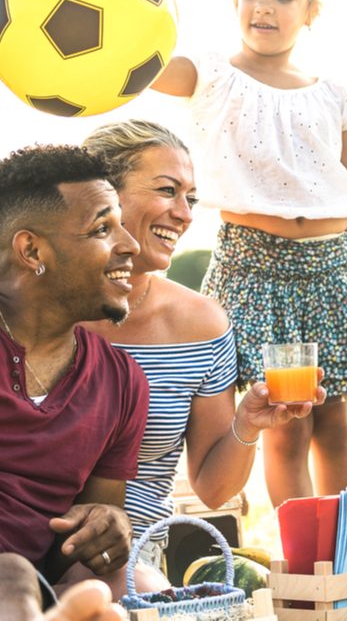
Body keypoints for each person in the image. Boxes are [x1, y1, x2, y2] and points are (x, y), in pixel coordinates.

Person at [149, 0, 347, 506]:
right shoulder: (210, 76)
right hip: (255, 270)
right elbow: (146, 69)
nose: (264, 6)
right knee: (287, 427)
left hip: (333, 271)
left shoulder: (333, 94)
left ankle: (346, 558)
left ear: (311, 10)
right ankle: (309, 570)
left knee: (334, 425)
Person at [79, 120, 326, 570]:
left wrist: (248, 424)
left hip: (134, 565)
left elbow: (213, 489)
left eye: (190, 199)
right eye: (167, 191)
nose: (186, 214)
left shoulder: (201, 325)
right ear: (102, 193)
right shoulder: (37, 310)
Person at [0, 145, 149, 612]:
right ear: (32, 250)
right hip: (13, 583)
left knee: (115, 582)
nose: (130, 245)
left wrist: (110, 525)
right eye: (103, 228)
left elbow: (97, 513)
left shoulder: (121, 382)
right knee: (13, 573)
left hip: (47, 590)